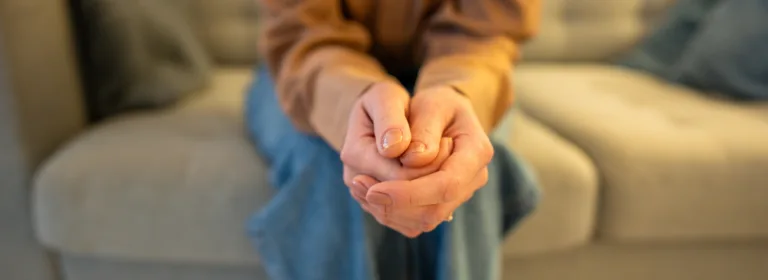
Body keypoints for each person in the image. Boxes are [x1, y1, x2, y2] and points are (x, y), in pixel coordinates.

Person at [245, 1, 541, 279]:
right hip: (306, 67)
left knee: (453, 155)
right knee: (334, 160)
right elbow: (302, 32)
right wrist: (353, 98)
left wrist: (455, 91)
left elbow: (488, 32)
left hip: (466, 67)